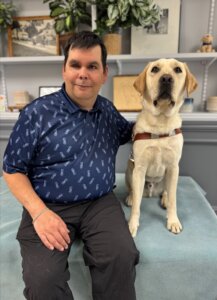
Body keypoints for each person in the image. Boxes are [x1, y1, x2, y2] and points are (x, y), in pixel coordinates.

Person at [3, 31, 139, 300]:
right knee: (43, 279)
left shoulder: (108, 111)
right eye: (75, 65)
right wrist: (39, 214)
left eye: (92, 66)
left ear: (104, 73)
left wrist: (161, 123)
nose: (83, 73)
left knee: (121, 256)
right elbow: (12, 169)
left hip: (99, 203)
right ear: (64, 70)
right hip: (47, 203)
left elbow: (131, 133)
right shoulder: (36, 114)